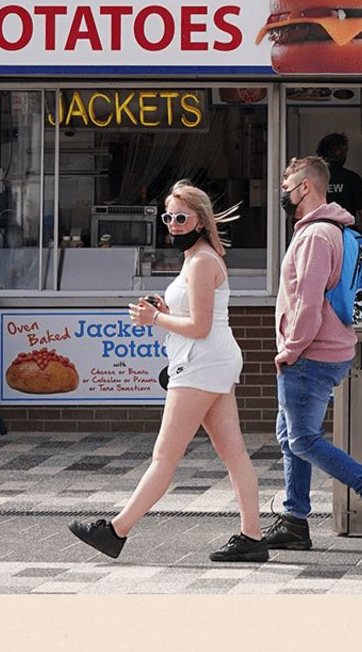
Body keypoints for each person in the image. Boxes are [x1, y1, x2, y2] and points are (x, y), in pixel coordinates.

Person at [68, 182, 268, 563]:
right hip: (209, 360)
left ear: (201, 220)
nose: (173, 224)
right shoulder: (197, 258)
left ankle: (116, 530)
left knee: (165, 456)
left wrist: (155, 317)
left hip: (200, 362)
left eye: (181, 217)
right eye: (168, 217)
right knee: (233, 452)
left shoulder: (203, 261)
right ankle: (252, 537)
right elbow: (196, 319)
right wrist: (165, 312)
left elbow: (201, 326)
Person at [268, 155, 362, 549]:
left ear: (306, 188)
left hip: (311, 352)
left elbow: (308, 303)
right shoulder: (338, 230)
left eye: (287, 188)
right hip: (331, 346)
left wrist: (290, 350)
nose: (284, 195)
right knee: (290, 435)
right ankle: (294, 521)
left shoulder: (314, 236)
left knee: (303, 440)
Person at [316, 132, 362, 220]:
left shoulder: (311, 178)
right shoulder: (352, 178)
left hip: (319, 231)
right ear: (340, 152)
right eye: (345, 151)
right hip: (344, 232)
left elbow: (298, 216)